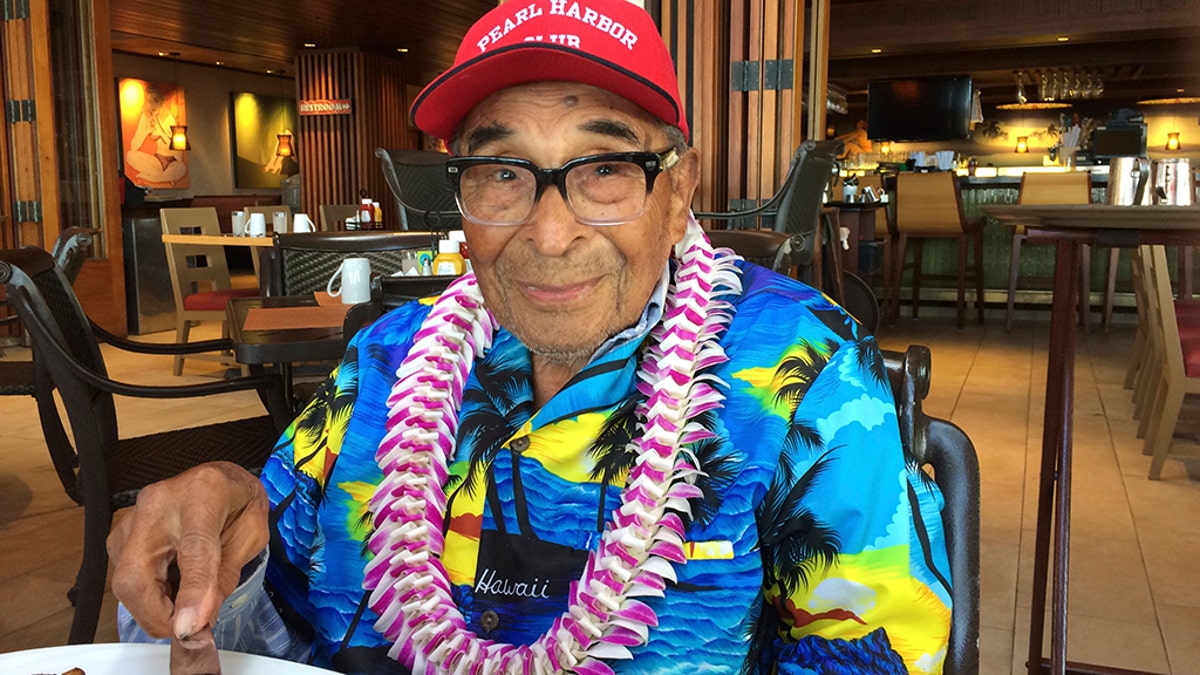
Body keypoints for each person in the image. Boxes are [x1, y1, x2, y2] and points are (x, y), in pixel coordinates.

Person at [108, 2, 952, 673]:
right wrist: (220, 521)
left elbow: (874, 654)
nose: (549, 236)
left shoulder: (807, 379)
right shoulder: (383, 361)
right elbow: (260, 602)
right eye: (504, 172)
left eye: (605, 169)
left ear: (680, 186)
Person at [125, 85, 188, 186]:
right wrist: (145, 132)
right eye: (149, 101)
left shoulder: (171, 118)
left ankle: (154, 177)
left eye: (155, 101)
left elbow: (179, 152)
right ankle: (164, 177)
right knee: (130, 155)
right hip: (156, 161)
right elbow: (133, 146)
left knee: (181, 168)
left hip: (173, 161)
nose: (152, 105)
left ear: (162, 101)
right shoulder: (146, 116)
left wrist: (162, 135)